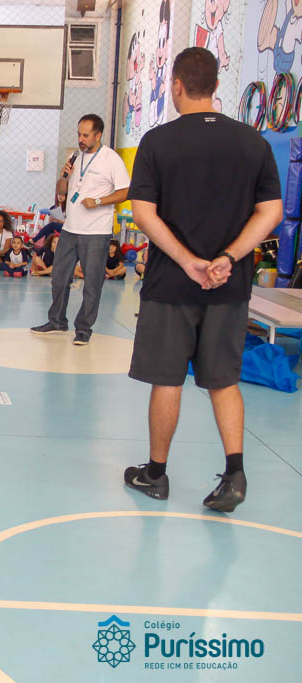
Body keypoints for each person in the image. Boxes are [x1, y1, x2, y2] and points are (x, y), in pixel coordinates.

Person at [122, 47, 282, 512]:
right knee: (224, 380)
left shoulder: (158, 141)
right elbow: (271, 211)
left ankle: (156, 474)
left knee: (167, 379)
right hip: (229, 285)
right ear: (214, 85)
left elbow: (143, 212)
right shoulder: (253, 143)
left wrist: (189, 261)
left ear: (176, 85)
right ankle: (235, 474)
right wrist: (228, 257)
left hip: (171, 284)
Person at [31, 114, 131, 346]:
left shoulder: (111, 159)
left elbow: (126, 191)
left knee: (92, 283)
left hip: (96, 232)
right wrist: (64, 176)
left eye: (86, 135)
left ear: (98, 135)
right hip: (70, 228)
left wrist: (98, 201)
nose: (81, 139)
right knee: (59, 277)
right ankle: (57, 321)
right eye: (79, 134)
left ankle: (84, 329)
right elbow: (61, 190)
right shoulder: (74, 157)